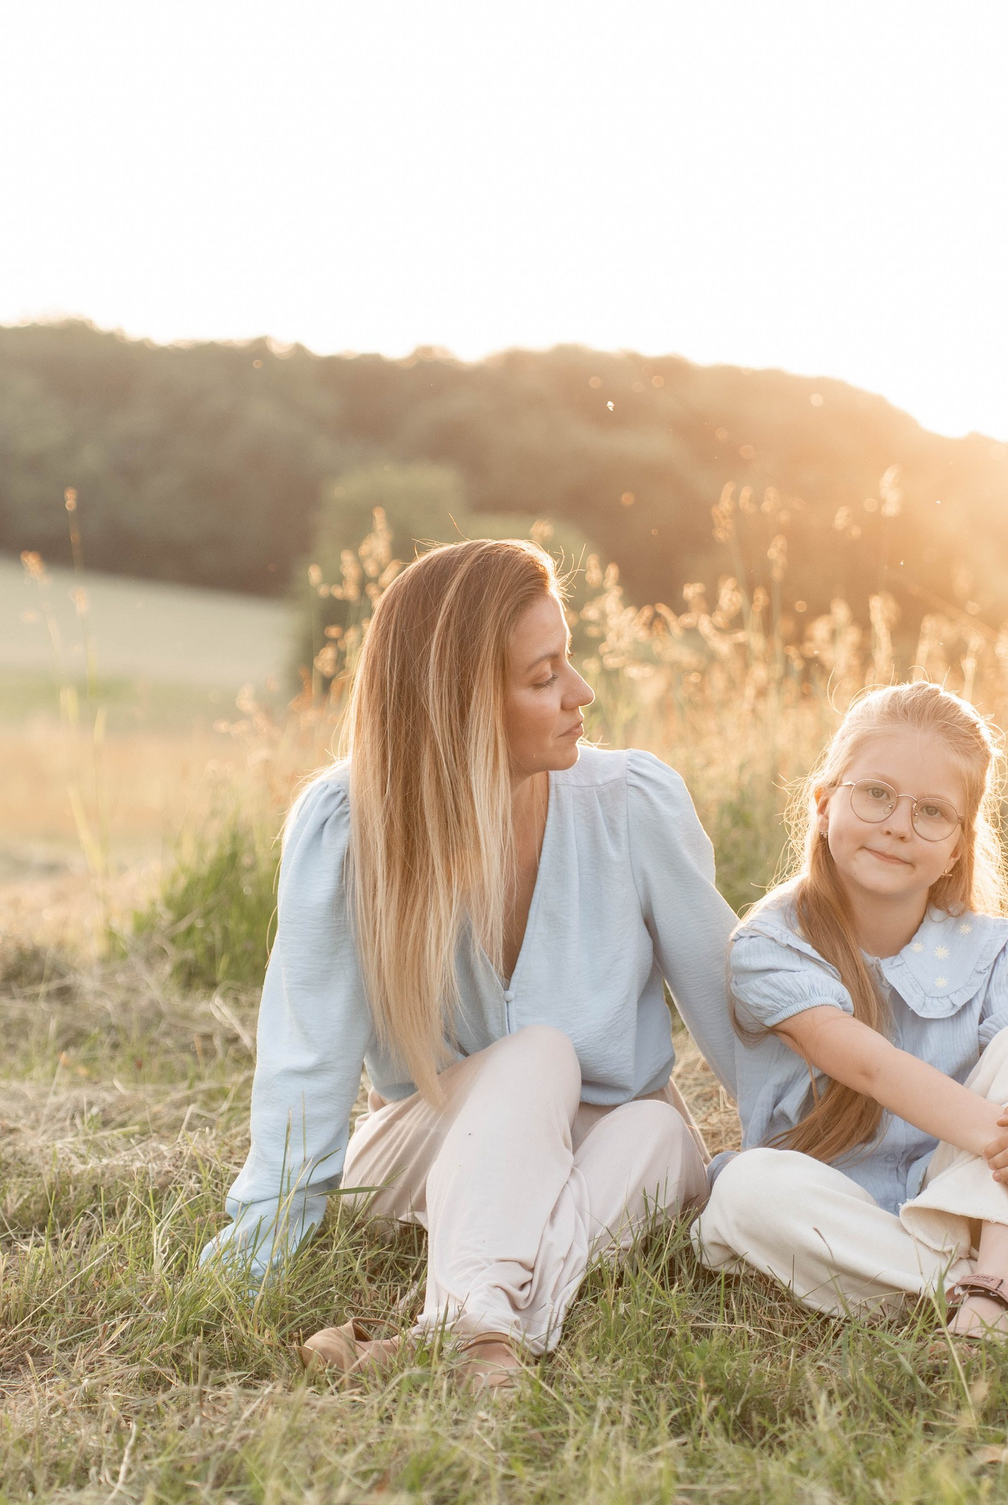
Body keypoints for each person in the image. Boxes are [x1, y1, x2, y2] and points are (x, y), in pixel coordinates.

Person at [202, 538, 740, 1389]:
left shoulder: (633, 805)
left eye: (569, 661)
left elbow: (738, 1023)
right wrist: (253, 1257)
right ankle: (474, 1325)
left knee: (664, 1133)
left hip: (601, 1145)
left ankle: (453, 1333)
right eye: (542, 676)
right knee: (540, 1052)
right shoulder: (348, 824)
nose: (580, 693)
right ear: (458, 704)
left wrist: (836, 1175)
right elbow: (307, 1068)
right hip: (426, 1149)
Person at [694, 681, 1008, 1338]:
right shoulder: (771, 945)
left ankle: (987, 1294)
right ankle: (1003, 1299)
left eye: (932, 810)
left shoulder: (990, 946)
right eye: (876, 794)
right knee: (744, 1191)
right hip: (838, 1207)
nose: (898, 823)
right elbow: (871, 1068)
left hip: (975, 1204)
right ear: (825, 802)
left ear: (957, 844)